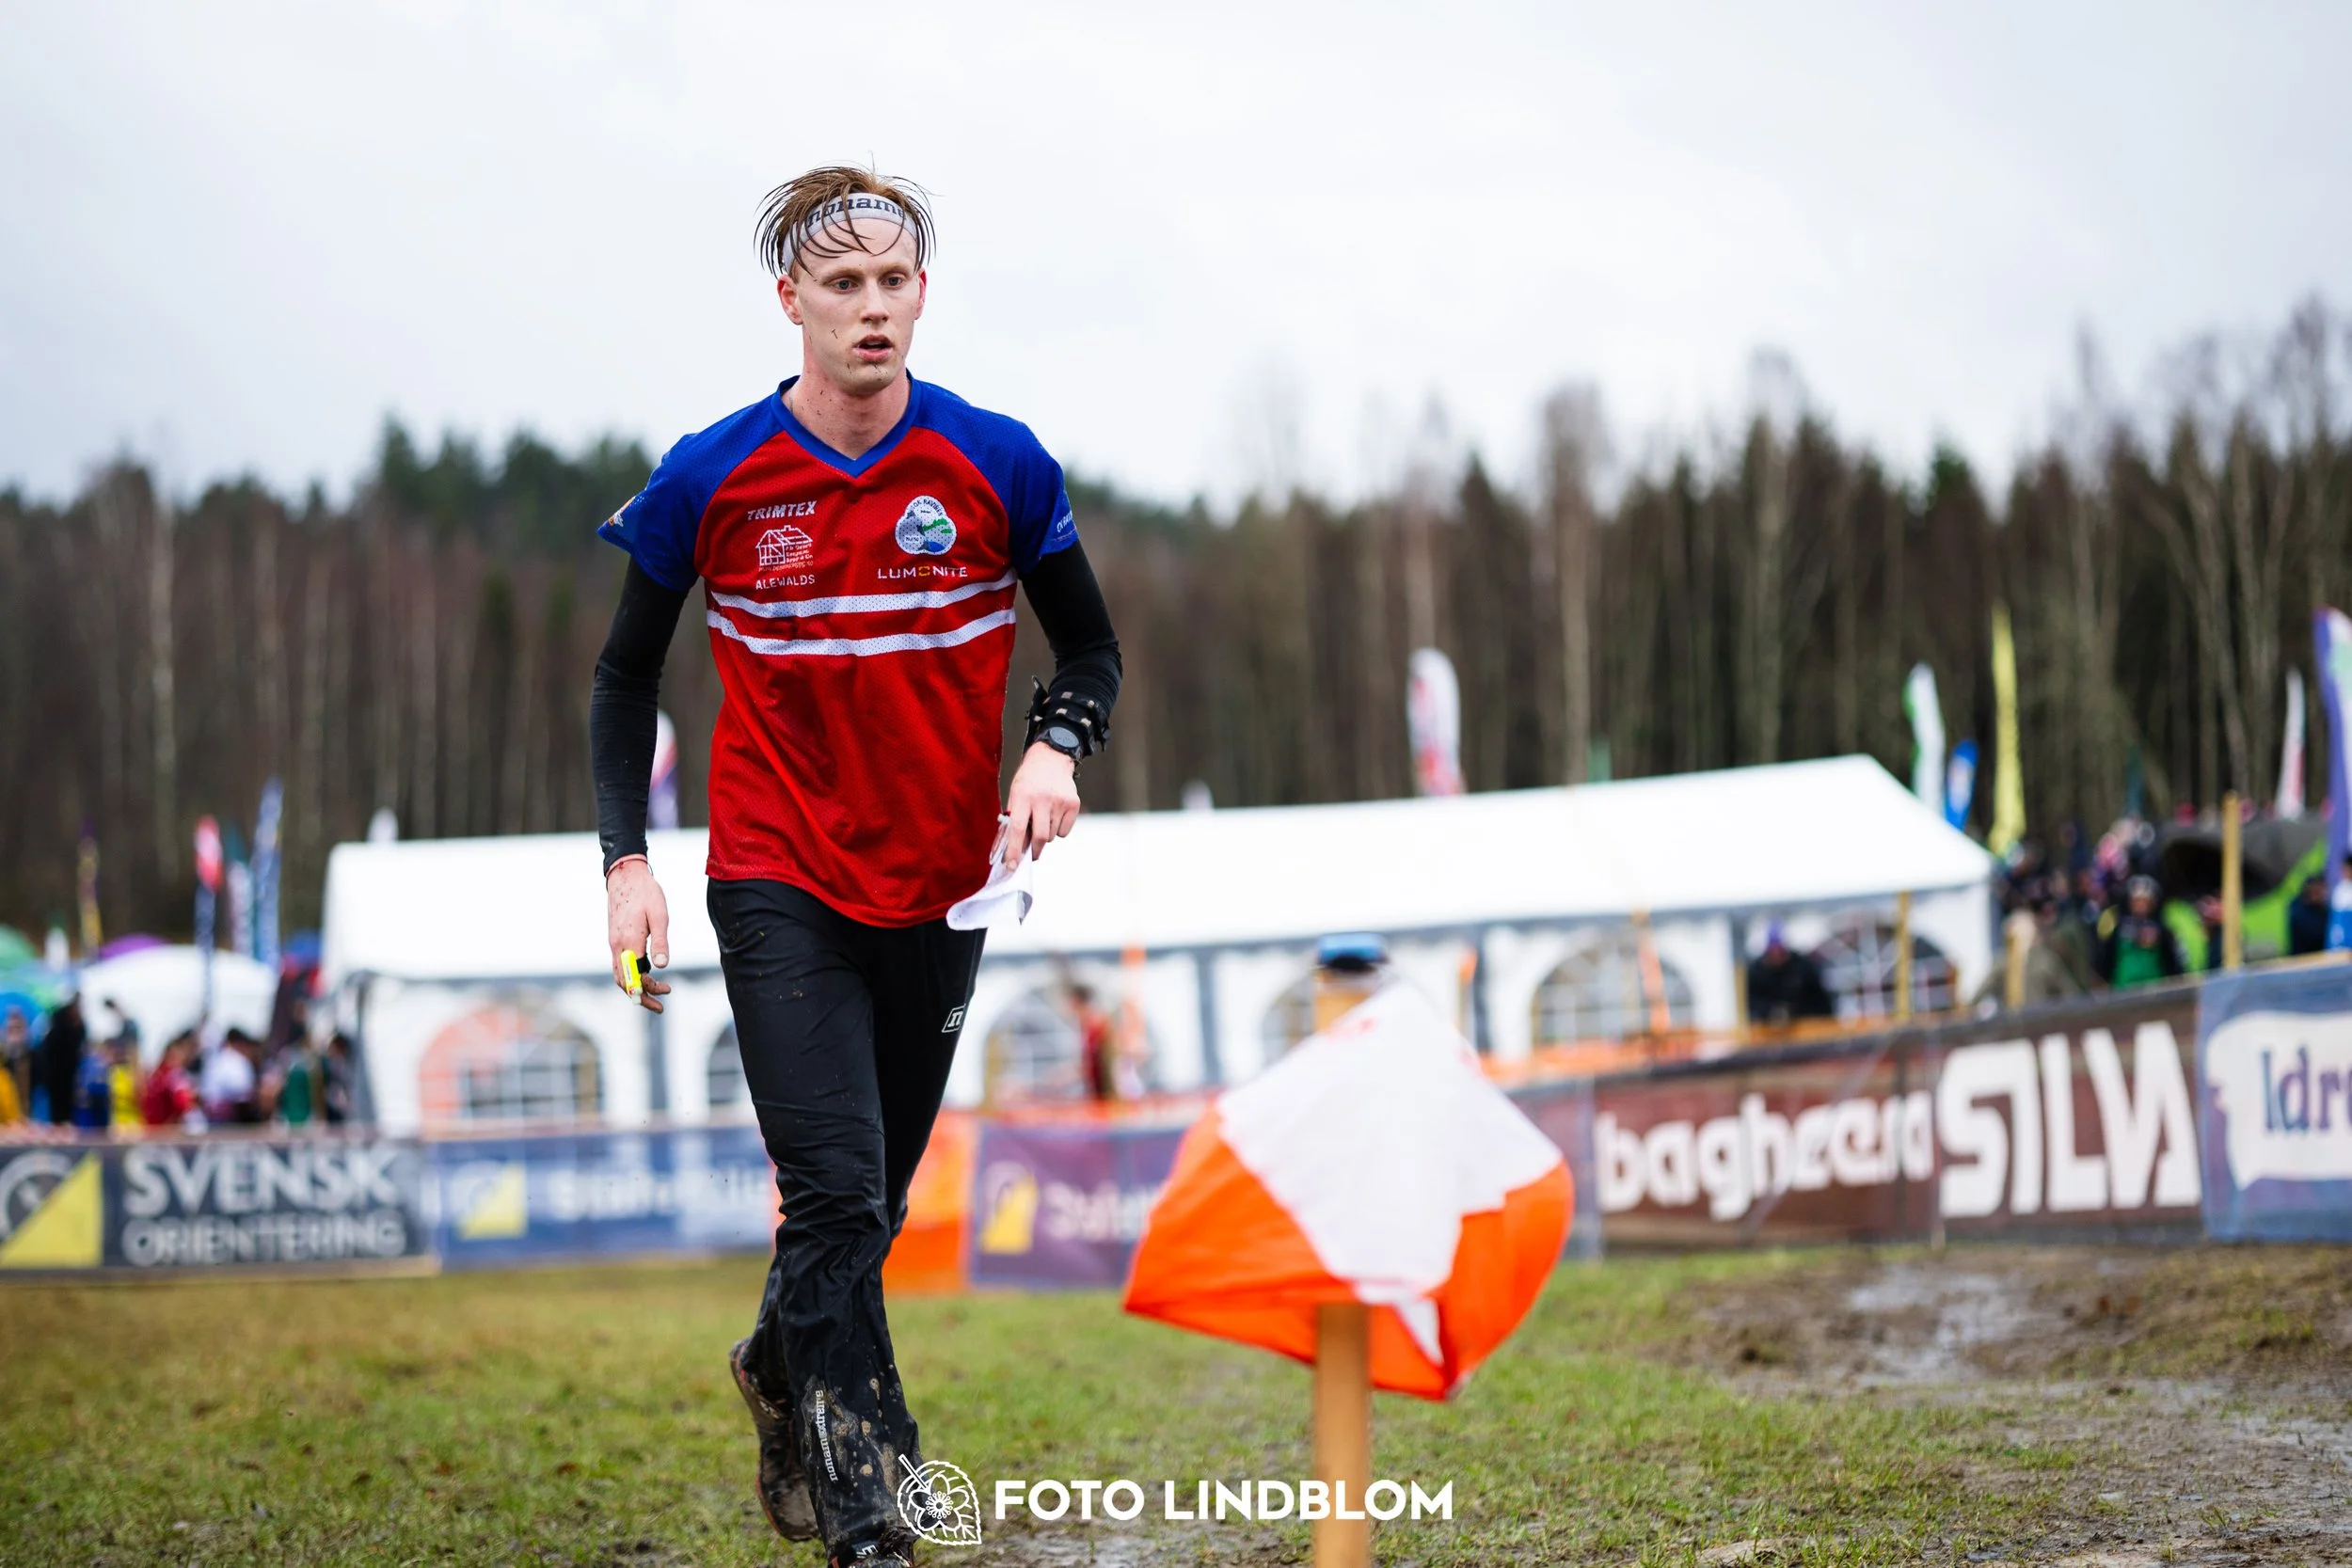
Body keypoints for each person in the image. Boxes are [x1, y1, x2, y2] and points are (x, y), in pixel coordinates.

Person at [590, 167, 1120, 1568]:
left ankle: (778, 1358)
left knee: (867, 1205)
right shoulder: (710, 474)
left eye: (894, 281)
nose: (872, 307)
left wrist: (1056, 748)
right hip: (776, 868)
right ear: (793, 303)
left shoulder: (1001, 461)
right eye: (843, 285)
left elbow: (1093, 648)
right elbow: (623, 674)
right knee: (831, 1192)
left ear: (922, 293)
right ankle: (865, 1506)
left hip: (947, 883)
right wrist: (625, 864)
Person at [2096, 875, 2185, 988]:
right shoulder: (2118, 928)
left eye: (2145, 901)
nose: (2140, 906)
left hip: (2155, 990)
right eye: (2136, 901)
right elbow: (2106, 960)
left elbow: (2174, 961)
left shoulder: (2162, 930)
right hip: (2123, 990)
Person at [1747, 924, 1835, 1025]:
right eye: (1773, 952)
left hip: (1806, 1025)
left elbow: (1820, 998)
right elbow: (1752, 1002)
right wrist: (1772, 1012)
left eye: (1780, 951)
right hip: (1768, 1029)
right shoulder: (1756, 972)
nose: (1777, 956)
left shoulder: (1802, 967)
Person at [36, 995, 84, 1126]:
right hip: (56, 1076)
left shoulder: (77, 1027)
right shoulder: (57, 1031)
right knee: (57, 1105)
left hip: (68, 1075)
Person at [142, 1032, 199, 1128]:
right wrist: (193, 1098)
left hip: (153, 1130)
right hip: (165, 1132)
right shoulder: (174, 1074)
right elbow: (182, 1103)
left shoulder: (156, 1073)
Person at [2290, 865, 2334, 957]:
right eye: (2318, 891)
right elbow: (2317, 933)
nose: (2322, 894)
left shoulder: (2323, 909)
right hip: (2303, 957)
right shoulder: (2299, 912)